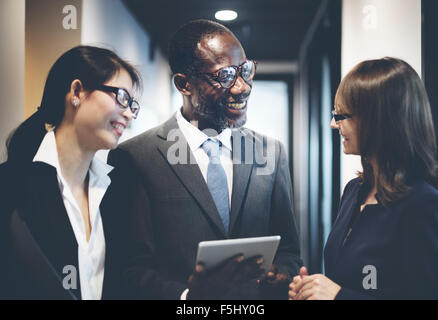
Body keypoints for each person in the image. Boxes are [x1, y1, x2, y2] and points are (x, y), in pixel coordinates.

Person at [108, 19, 302, 300]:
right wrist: (189, 297)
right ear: (184, 84)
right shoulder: (136, 158)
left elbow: (289, 251)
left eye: (245, 71)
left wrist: (283, 273)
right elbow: (130, 269)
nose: (242, 87)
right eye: (225, 77)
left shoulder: (271, 153)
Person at [288, 57, 438, 300]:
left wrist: (337, 296)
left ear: (379, 120)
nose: (333, 124)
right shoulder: (354, 190)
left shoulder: (424, 204)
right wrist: (311, 290)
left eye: (342, 116)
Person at [0, 45, 142, 299]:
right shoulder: (12, 185)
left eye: (132, 104)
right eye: (121, 97)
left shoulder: (115, 189)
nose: (129, 113)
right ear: (77, 91)